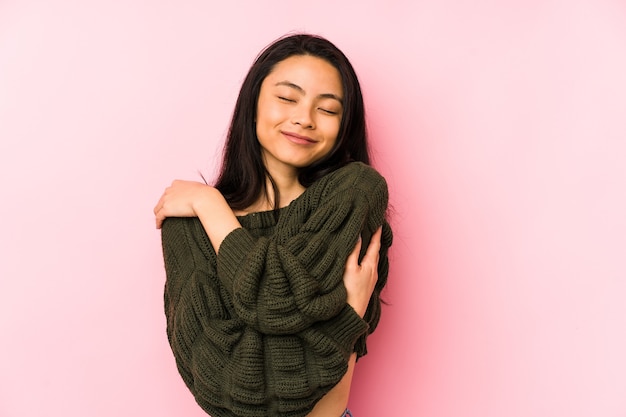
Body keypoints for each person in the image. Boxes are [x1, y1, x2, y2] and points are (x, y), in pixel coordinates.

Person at [154, 33, 393, 417]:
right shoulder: (188, 227)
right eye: (287, 98)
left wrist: (210, 205)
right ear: (253, 104)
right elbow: (225, 386)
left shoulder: (353, 194)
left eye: (328, 109)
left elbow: (274, 299)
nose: (304, 118)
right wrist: (344, 318)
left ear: (344, 125)